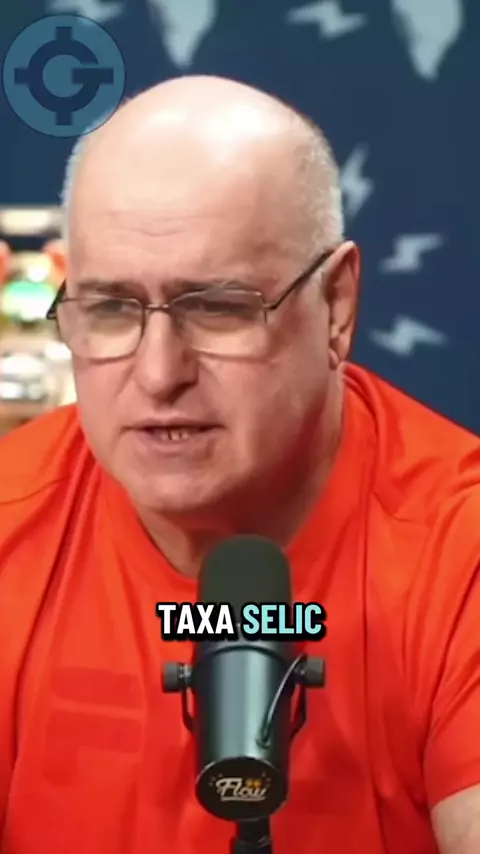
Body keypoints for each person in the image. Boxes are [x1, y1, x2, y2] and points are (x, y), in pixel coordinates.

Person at [0, 75, 479, 854]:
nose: (159, 374)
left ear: (336, 307)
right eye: (113, 308)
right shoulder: (13, 516)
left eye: (218, 307)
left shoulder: (459, 546)